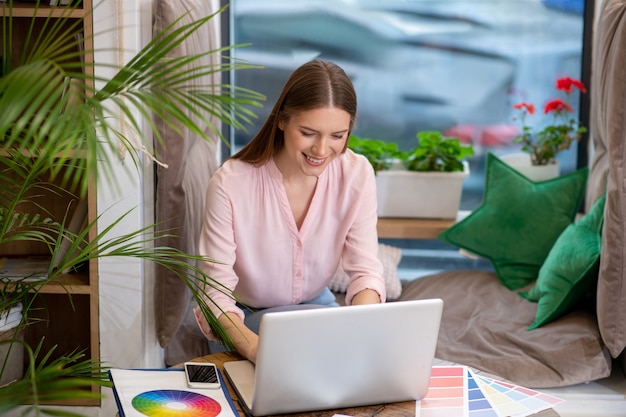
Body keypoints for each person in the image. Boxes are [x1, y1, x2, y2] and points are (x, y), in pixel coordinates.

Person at [194, 59, 386, 363]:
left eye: (337, 136)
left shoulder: (357, 173)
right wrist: (258, 351)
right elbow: (214, 293)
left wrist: (360, 330)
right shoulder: (230, 184)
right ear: (282, 120)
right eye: (308, 133)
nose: (322, 151)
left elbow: (365, 271)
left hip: (316, 307)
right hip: (244, 320)